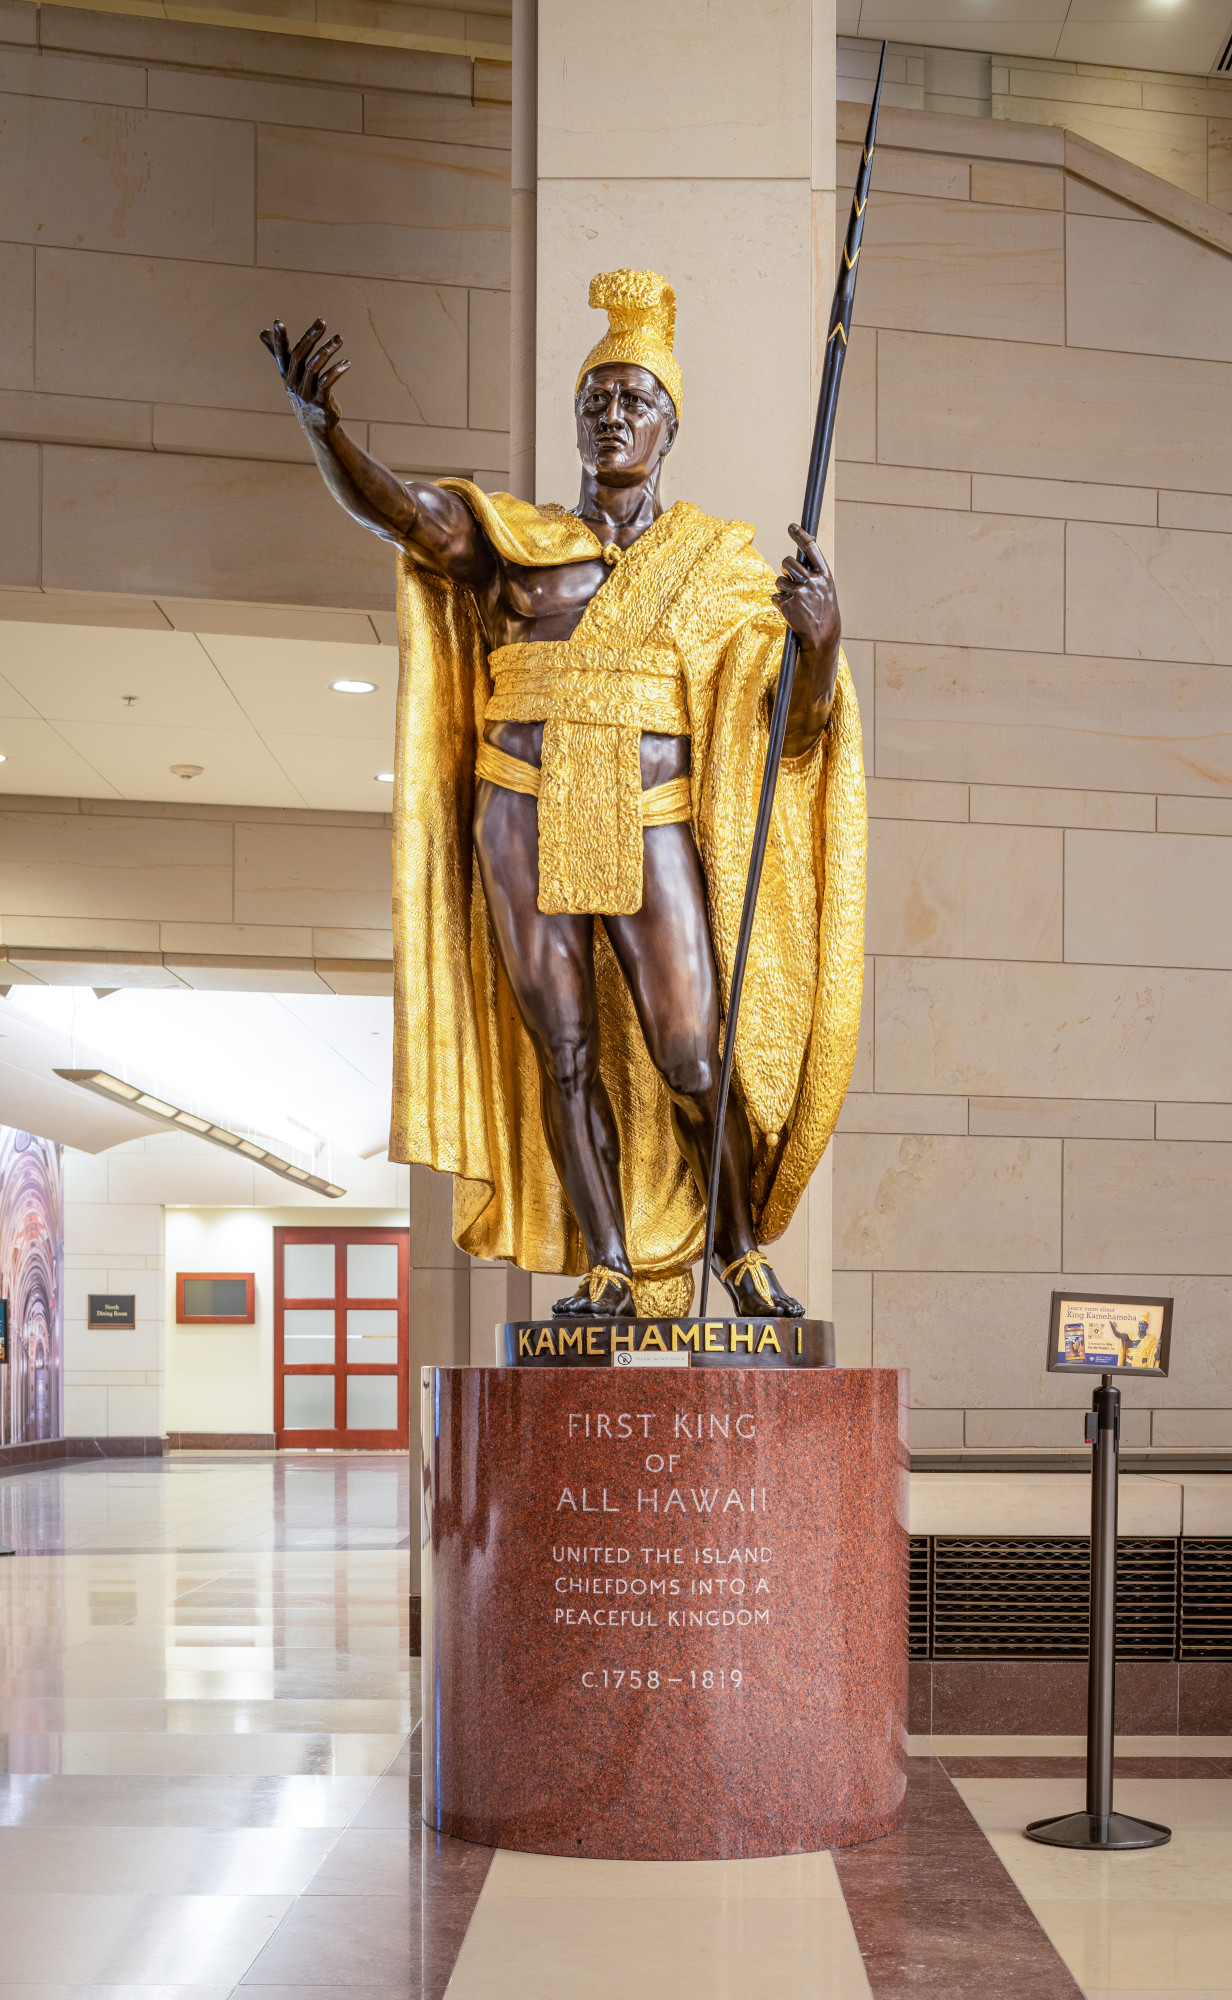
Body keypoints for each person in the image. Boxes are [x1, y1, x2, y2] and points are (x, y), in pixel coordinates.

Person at [263, 269, 865, 1319]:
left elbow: (794, 730)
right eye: (596, 400)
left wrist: (819, 642)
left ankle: (733, 1250)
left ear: (668, 425)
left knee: (691, 1053)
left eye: (634, 399)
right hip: (524, 809)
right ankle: (610, 1262)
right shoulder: (519, 542)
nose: (613, 416)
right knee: (568, 1049)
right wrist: (326, 435)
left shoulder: (717, 565)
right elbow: (405, 512)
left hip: (651, 816)